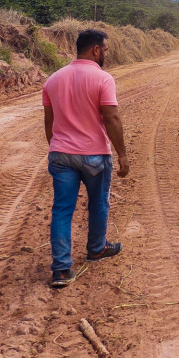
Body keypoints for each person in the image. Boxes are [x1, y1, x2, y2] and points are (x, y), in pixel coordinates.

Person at [42, 29, 129, 288]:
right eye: (105, 49)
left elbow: (49, 121)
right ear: (95, 50)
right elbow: (111, 117)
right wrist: (122, 153)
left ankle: (61, 270)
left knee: (61, 209)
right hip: (94, 155)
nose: (106, 54)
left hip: (61, 154)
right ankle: (96, 249)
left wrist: (58, 148)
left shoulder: (53, 80)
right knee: (98, 203)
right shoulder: (102, 78)